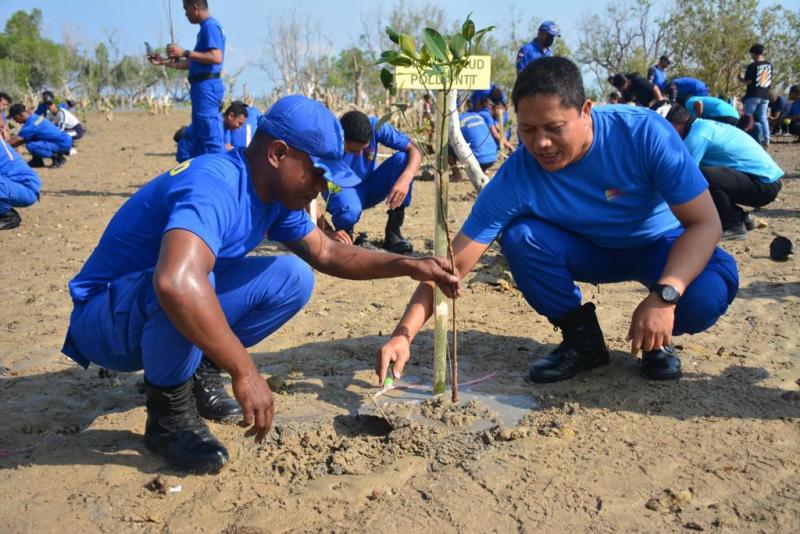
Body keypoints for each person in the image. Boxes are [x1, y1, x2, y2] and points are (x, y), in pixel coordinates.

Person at [60, 95, 460, 474]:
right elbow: (175, 283)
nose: (322, 188)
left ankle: (194, 370)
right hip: (105, 322)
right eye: (318, 174)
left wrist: (409, 264)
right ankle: (168, 414)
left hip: (145, 309)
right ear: (278, 154)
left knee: (292, 277)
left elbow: (328, 254)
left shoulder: (271, 195)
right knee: (188, 281)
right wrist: (244, 370)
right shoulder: (214, 184)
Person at [376, 57, 738, 388]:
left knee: (704, 296)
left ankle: (656, 338)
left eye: (554, 127)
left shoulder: (643, 134)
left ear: (585, 111)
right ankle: (584, 344)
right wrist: (403, 334)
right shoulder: (518, 174)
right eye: (528, 130)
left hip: (659, 247)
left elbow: (706, 224)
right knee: (520, 237)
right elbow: (451, 265)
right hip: (589, 252)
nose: (541, 144)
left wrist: (665, 296)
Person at [660, 101, 783, 240]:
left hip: (764, 185)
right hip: (762, 180)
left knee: (700, 177)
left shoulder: (696, 136)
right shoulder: (701, 125)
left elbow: (683, 179)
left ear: (673, 125)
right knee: (707, 176)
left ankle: (732, 225)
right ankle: (741, 218)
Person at [323, 110, 422, 254]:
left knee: (403, 159)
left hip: (370, 186)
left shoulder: (375, 125)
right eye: (352, 150)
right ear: (342, 138)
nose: (359, 155)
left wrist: (406, 177)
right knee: (349, 210)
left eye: (364, 150)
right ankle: (344, 233)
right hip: (341, 190)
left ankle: (393, 233)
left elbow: (415, 149)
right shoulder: (326, 140)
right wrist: (328, 231)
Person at [149, 0, 225, 157]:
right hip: (200, 87)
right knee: (199, 134)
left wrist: (184, 52)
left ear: (195, 8)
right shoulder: (204, 28)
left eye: (186, 10)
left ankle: (218, 172)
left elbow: (216, 57)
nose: (185, 14)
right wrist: (163, 61)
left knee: (210, 135)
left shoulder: (210, 27)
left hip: (207, 87)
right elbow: (193, 63)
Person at [173, 101, 250, 162]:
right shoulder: (214, 126)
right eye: (239, 123)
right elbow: (216, 150)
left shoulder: (227, 128)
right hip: (188, 155)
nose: (239, 127)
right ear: (231, 116)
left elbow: (227, 146)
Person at [7, 103, 73, 168]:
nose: (15, 121)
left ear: (21, 114)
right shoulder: (36, 117)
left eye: (14, 117)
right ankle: (37, 161)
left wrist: (3, 145)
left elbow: (16, 141)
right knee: (30, 139)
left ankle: (58, 157)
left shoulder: (30, 126)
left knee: (30, 145)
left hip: (62, 144)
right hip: (65, 140)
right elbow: (19, 141)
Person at [0, 135, 41, 230]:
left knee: (32, 145)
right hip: (10, 185)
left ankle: (8, 216)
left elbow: (18, 138)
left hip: (25, 189)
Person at [448, 108, 498, 182]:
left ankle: (456, 175)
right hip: (493, 158)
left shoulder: (456, 122)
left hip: (478, 160)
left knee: (448, 148)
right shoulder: (477, 116)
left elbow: (454, 141)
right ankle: (483, 170)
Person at [739, 43, 773, 147]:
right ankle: (766, 139)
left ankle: (743, 137)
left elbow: (748, 81)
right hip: (765, 95)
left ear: (754, 53)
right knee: (763, 118)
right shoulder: (769, 65)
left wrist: (740, 79)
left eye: (751, 54)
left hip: (753, 94)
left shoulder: (753, 65)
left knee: (747, 115)